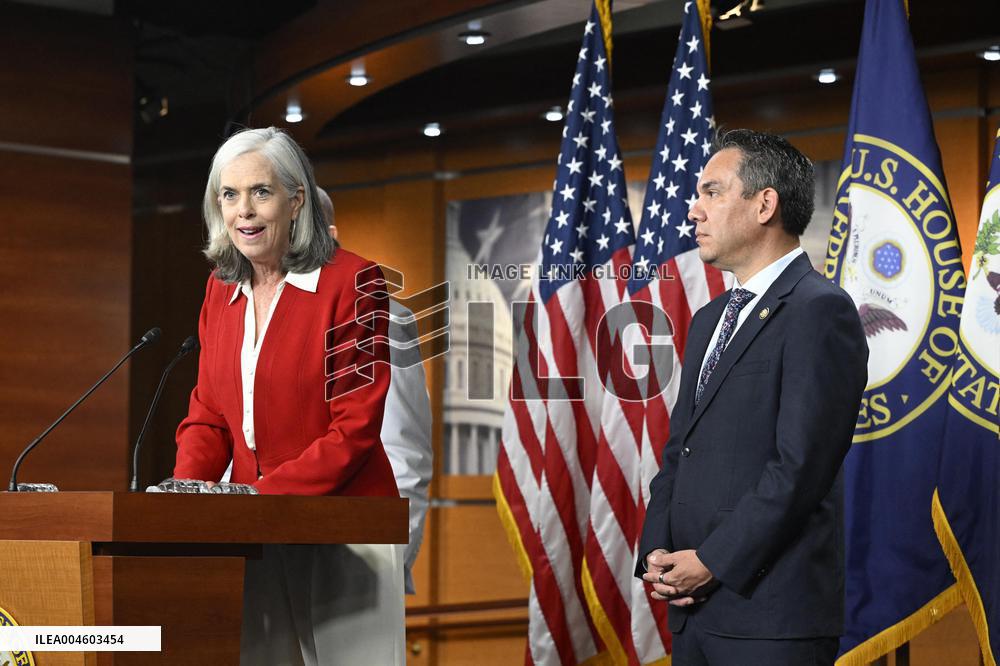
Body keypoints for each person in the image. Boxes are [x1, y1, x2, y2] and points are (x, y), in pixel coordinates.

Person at [635, 129, 868, 666]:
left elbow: (800, 467)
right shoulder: (709, 320)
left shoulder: (819, 310)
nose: (694, 210)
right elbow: (680, 453)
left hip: (770, 620)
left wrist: (713, 560)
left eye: (712, 192)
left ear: (765, 204)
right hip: (692, 611)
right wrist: (657, 553)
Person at [173, 127, 403, 665]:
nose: (243, 212)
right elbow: (209, 414)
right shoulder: (221, 288)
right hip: (255, 535)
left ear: (296, 199)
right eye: (229, 195)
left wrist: (259, 500)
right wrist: (185, 497)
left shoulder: (355, 281)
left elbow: (355, 429)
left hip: (345, 531)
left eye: (261, 192)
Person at [317, 187, 433, 595]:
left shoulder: (380, 315)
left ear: (327, 234)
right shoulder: (252, 311)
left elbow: (405, 453)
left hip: (352, 565)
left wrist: (388, 560)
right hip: (258, 554)